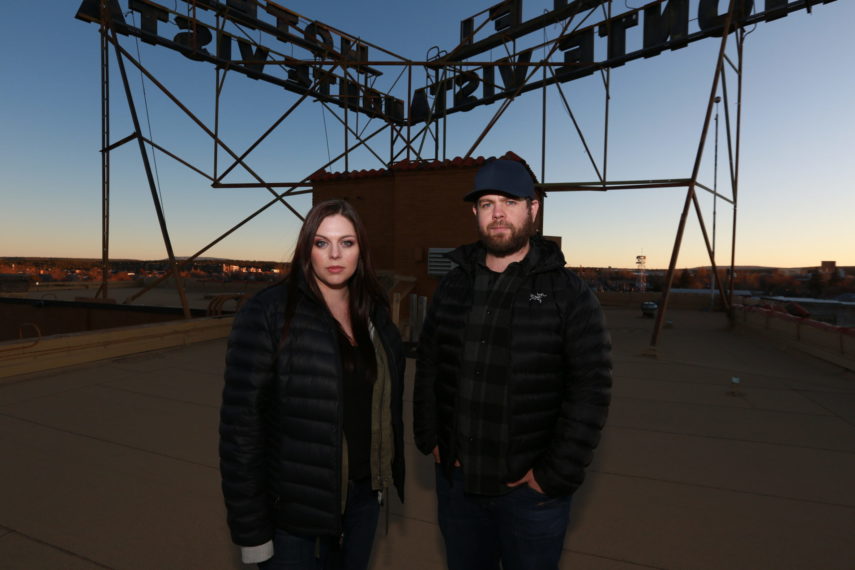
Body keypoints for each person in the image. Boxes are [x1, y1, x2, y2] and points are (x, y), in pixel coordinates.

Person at [413, 158, 612, 570]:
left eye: (510, 201)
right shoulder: (453, 286)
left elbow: (591, 388)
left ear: (533, 210)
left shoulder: (568, 294)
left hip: (530, 494)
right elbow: (429, 363)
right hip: (459, 485)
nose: (498, 213)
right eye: (487, 203)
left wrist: (552, 476)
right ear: (475, 213)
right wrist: (430, 437)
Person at [219, 199, 406, 570]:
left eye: (347, 243)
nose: (334, 254)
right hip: (294, 516)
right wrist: (252, 533)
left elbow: (383, 406)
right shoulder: (268, 313)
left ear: (361, 250)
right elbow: (240, 432)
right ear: (307, 249)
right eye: (322, 243)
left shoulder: (375, 313)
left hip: (363, 502)